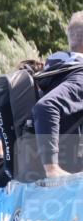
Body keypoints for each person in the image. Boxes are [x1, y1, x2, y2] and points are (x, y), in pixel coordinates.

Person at [33, 11, 83, 177]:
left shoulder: (57, 70)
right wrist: (52, 168)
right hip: (71, 180)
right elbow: (46, 106)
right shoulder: (80, 75)